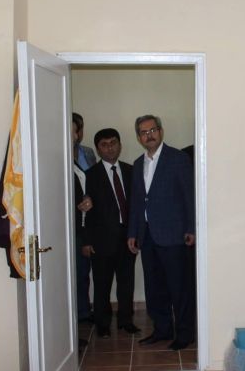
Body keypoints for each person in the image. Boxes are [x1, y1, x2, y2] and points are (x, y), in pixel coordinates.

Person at [127, 115, 195, 351]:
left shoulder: (178, 158)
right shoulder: (138, 164)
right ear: (139, 138)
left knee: (179, 288)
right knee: (154, 288)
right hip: (147, 237)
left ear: (161, 131)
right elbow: (137, 202)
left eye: (153, 130)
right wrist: (133, 233)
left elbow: (189, 196)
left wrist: (191, 228)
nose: (149, 135)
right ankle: (163, 329)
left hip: (174, 235)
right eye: (144, 132)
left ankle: (185, 334)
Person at [82, 128, 139, 338]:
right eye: (104, 145)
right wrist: (86, 241)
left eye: (113, 143)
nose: (110, 148)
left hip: (128, 238)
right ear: (98, 149)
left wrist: (137, 234)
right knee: (102, 284)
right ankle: (103, 323)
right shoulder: (90, 175)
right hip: (101, 240)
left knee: (127, 282)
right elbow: (85, 212)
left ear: (120, 145)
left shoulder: (131, 171)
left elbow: (137, 205)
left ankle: (126, 320)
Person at [72, 120, 94, 343]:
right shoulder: (53, 155)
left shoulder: (86, 154)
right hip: (66, 224)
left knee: (82, 270)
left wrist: (89, 198)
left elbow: (92, 181)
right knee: (71, 274)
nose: (72, 135)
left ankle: (83, 311)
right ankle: (73, 320)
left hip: (86, 221)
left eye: (75, 130)